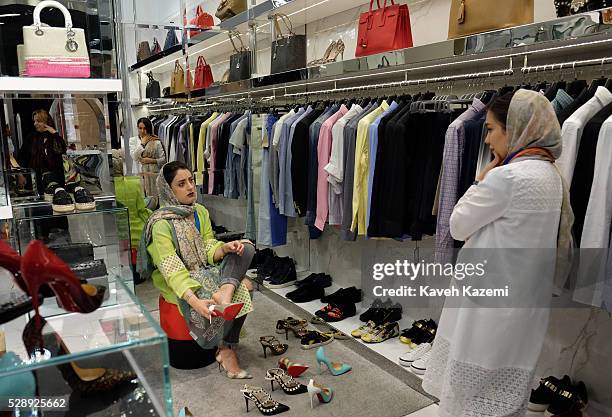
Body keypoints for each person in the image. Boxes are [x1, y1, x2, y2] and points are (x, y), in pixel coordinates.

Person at [422, 90, 574, 417]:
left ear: (516, 128)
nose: (487, 139)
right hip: (524, 306)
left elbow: (457, 226)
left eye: (491, 129)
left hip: (486, 308)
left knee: (467, 396)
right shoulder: (552, 176)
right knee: (506, 396)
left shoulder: (507, 177)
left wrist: (480, 179)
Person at [138, 161, 255, 373]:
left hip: (205, 269)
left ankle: (224, 293)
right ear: (168, 190)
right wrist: (194, 300)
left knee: (246, 248)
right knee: (244, 286)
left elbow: (208, 246)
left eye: (191, 180)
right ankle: (225, 347)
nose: (191, 187)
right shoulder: (160, 224)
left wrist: (224, 248)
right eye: (181, 184)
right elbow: (171, 268)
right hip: (180, 281)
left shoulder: (199, 211)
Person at [17, 109, 67, 193]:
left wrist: (54, 133)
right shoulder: (31, 137)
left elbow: (61, 150)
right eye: (34, 121)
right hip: (35, 180)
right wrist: (20, 174)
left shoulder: (53, 138)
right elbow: (22, 157)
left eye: (38, 121)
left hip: (54, 181)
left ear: (46, 121)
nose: (35, 124)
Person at [135, 117, 165, 197]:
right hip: (142, 175)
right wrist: (142, 144)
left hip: (154, 174)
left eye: (145, 128)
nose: (142, 131)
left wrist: (151, 161)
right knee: (145, 198)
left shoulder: (156, 141)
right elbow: (135, 157)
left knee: (157, 196)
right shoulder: (135, 141)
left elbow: (163, 159)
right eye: (140, 128)